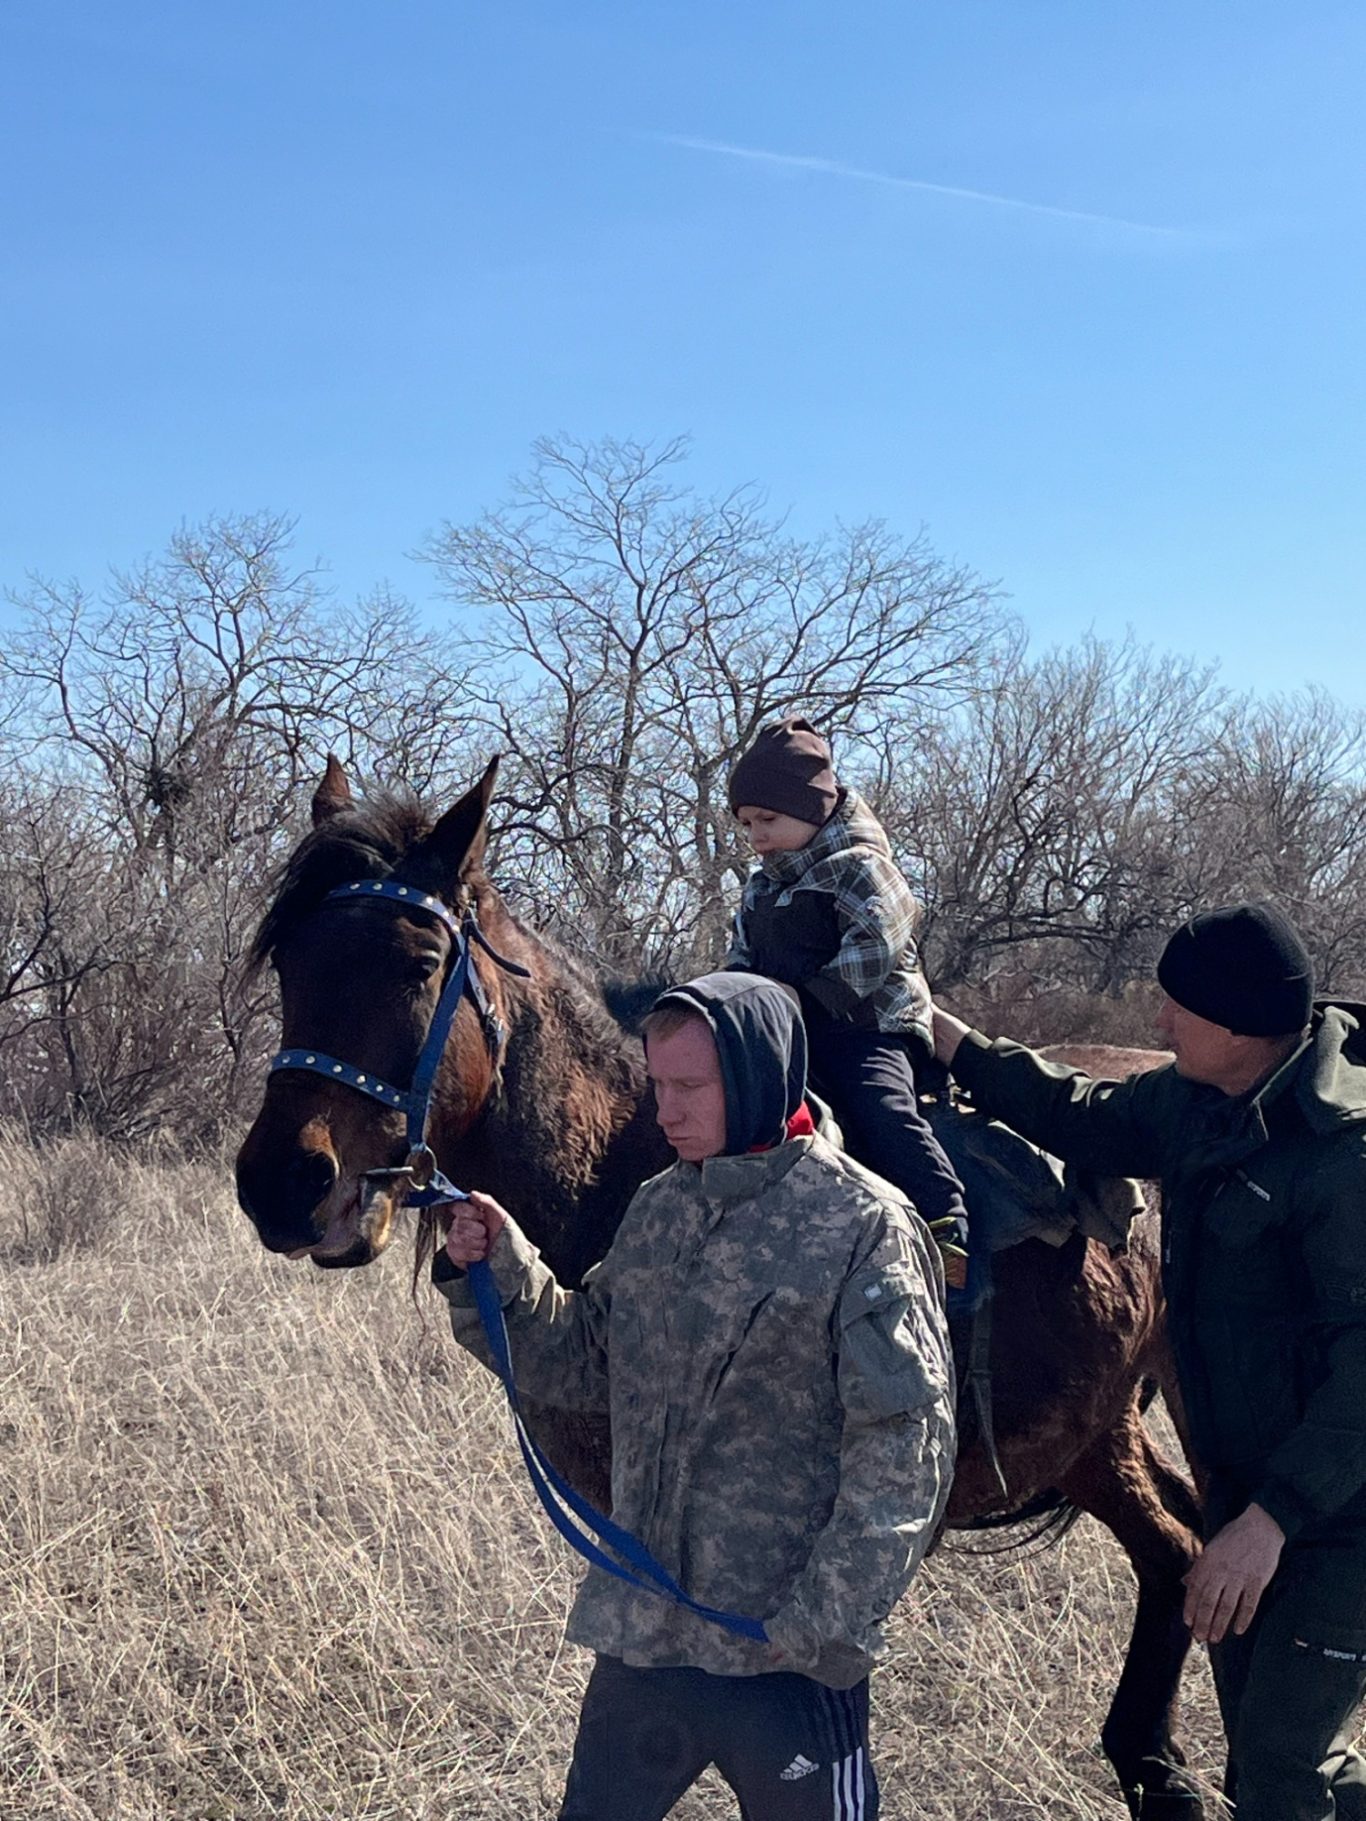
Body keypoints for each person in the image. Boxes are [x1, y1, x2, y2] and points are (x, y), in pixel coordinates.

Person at [437, 971, 955, 1821]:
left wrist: (824, 1622)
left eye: (690, 1086)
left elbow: (905, 1451)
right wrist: (501, 1266)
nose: (665, 1109)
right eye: (657, 1084)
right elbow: (584, 1361)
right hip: (647, 1641)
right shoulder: (659, 1208)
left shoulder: (863, 1224)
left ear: (756, 1076)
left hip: (784, 1662)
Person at [930, 901, 1366, 1821]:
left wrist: (1268, 1521)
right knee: (1275, 1760)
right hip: (1253, 1492)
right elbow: (1077, 1112)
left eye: (1178, 1007)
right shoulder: (1202, 1098)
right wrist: (955, 1042)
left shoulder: (1345, 1159)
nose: (1158, 1023)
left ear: (1241, 1027)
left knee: (1281, 1783)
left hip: (1337, 1511)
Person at [725, 715, 971, 1285]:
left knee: (877, 1105)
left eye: (768, 818)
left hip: (870, 1027)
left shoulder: (861, 866)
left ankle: (943, 1218)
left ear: (812, 811)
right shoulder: (760, 887)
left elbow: (878, 944)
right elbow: (740, 957)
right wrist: (730, 1003)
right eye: (745, 823)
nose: (756, 835)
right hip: (792, 1030)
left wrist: (807, 996)